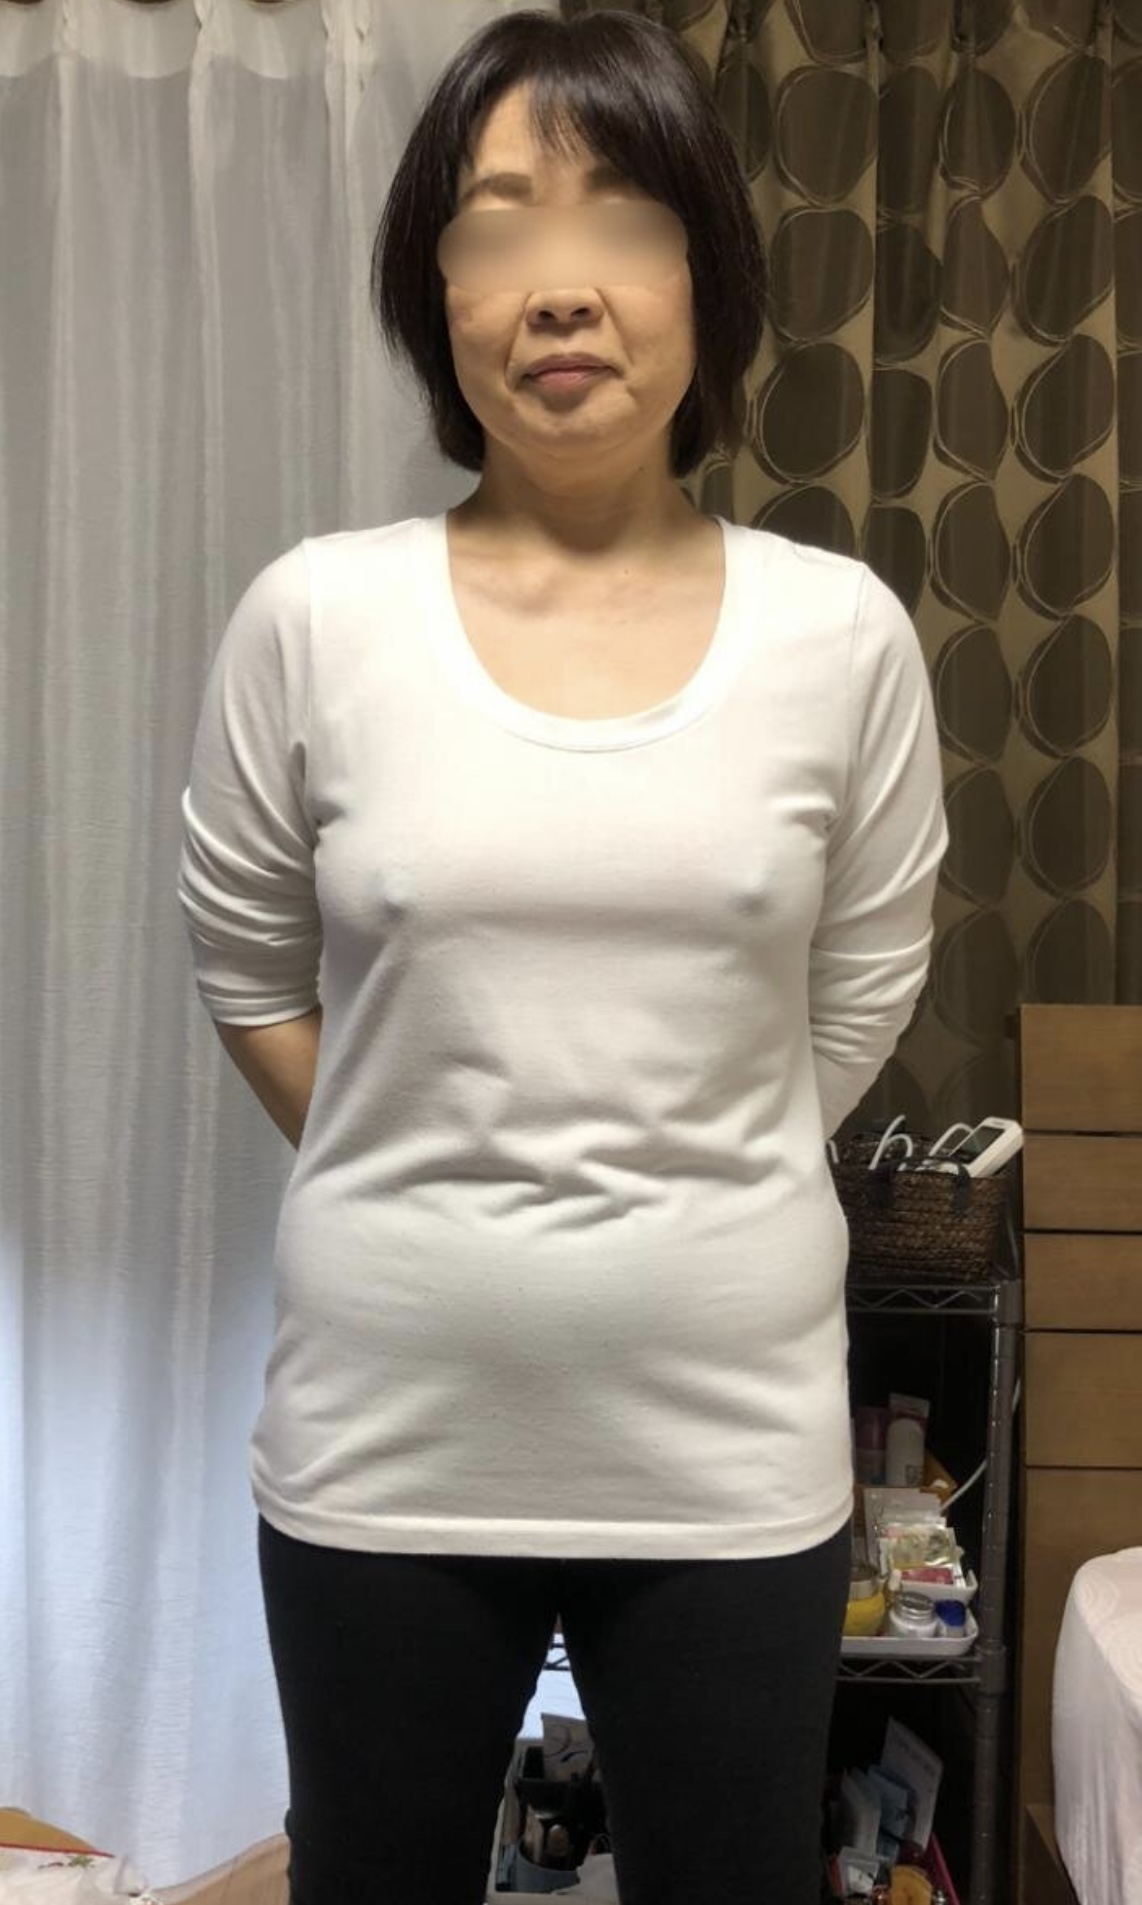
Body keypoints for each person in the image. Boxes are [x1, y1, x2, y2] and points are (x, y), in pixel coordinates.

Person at [176, 10, 949, 1904]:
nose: (559, 284)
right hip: (384, 1433)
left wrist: (690, 1156)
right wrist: (416, 1146)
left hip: (727, 1447)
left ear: (707, 276)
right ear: (433, 291)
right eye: (498, 222)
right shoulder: (313, 617)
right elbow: (246, 960)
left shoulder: (839, 635)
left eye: (619, 219)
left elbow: (862, 977)